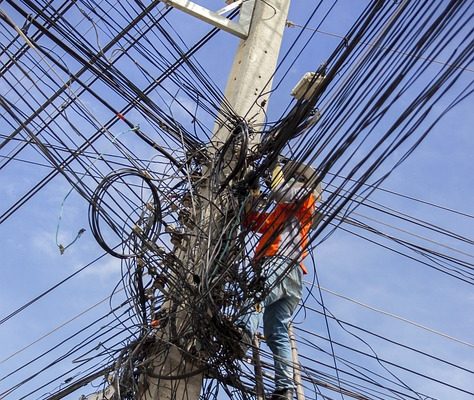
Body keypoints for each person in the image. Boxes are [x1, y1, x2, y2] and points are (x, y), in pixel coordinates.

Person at [237, 161, 320, 400]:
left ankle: (242, 333)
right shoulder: (281, 215)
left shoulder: (306, 197)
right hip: (292, 278)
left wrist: (273, 169)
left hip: (280, 264)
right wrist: (251, 194)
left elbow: (281, 192)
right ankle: (285, 388)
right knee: (276, 331)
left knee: (256, 296)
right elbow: (251, 220)